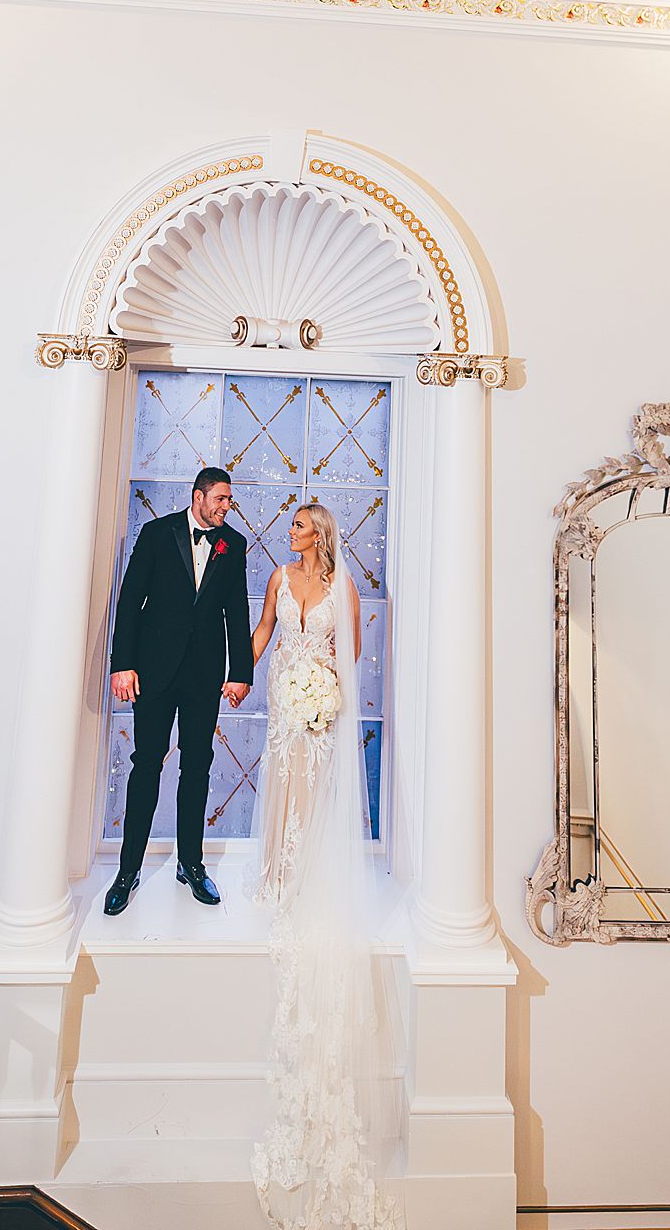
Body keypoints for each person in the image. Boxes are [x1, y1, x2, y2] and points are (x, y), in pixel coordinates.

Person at [248, 503, 399, 1230]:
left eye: (302, 526)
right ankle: (277, 871)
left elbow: (356, 654)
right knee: (281, 779)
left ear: (323, 536)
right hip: (283, 698)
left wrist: (331, 695)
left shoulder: (346, 589)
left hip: (322, 704)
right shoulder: (277, 577)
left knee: (311, 786)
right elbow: (263, 635)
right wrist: (237, 671)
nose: (292, 532)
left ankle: (304, 876)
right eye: (293, 526)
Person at [104, 466, 253, 915]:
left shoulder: (234, 546)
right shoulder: (156, 533)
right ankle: (127, 870)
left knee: (198, 767)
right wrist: (122, 665)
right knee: (146, 765)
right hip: (152, 671)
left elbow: (237, 612)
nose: (227, 507)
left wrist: (240, 672)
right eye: (221, 499)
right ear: (199, 497)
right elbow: (130, 601)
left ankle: (191, 863)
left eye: (229, 500)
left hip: (204, 675)